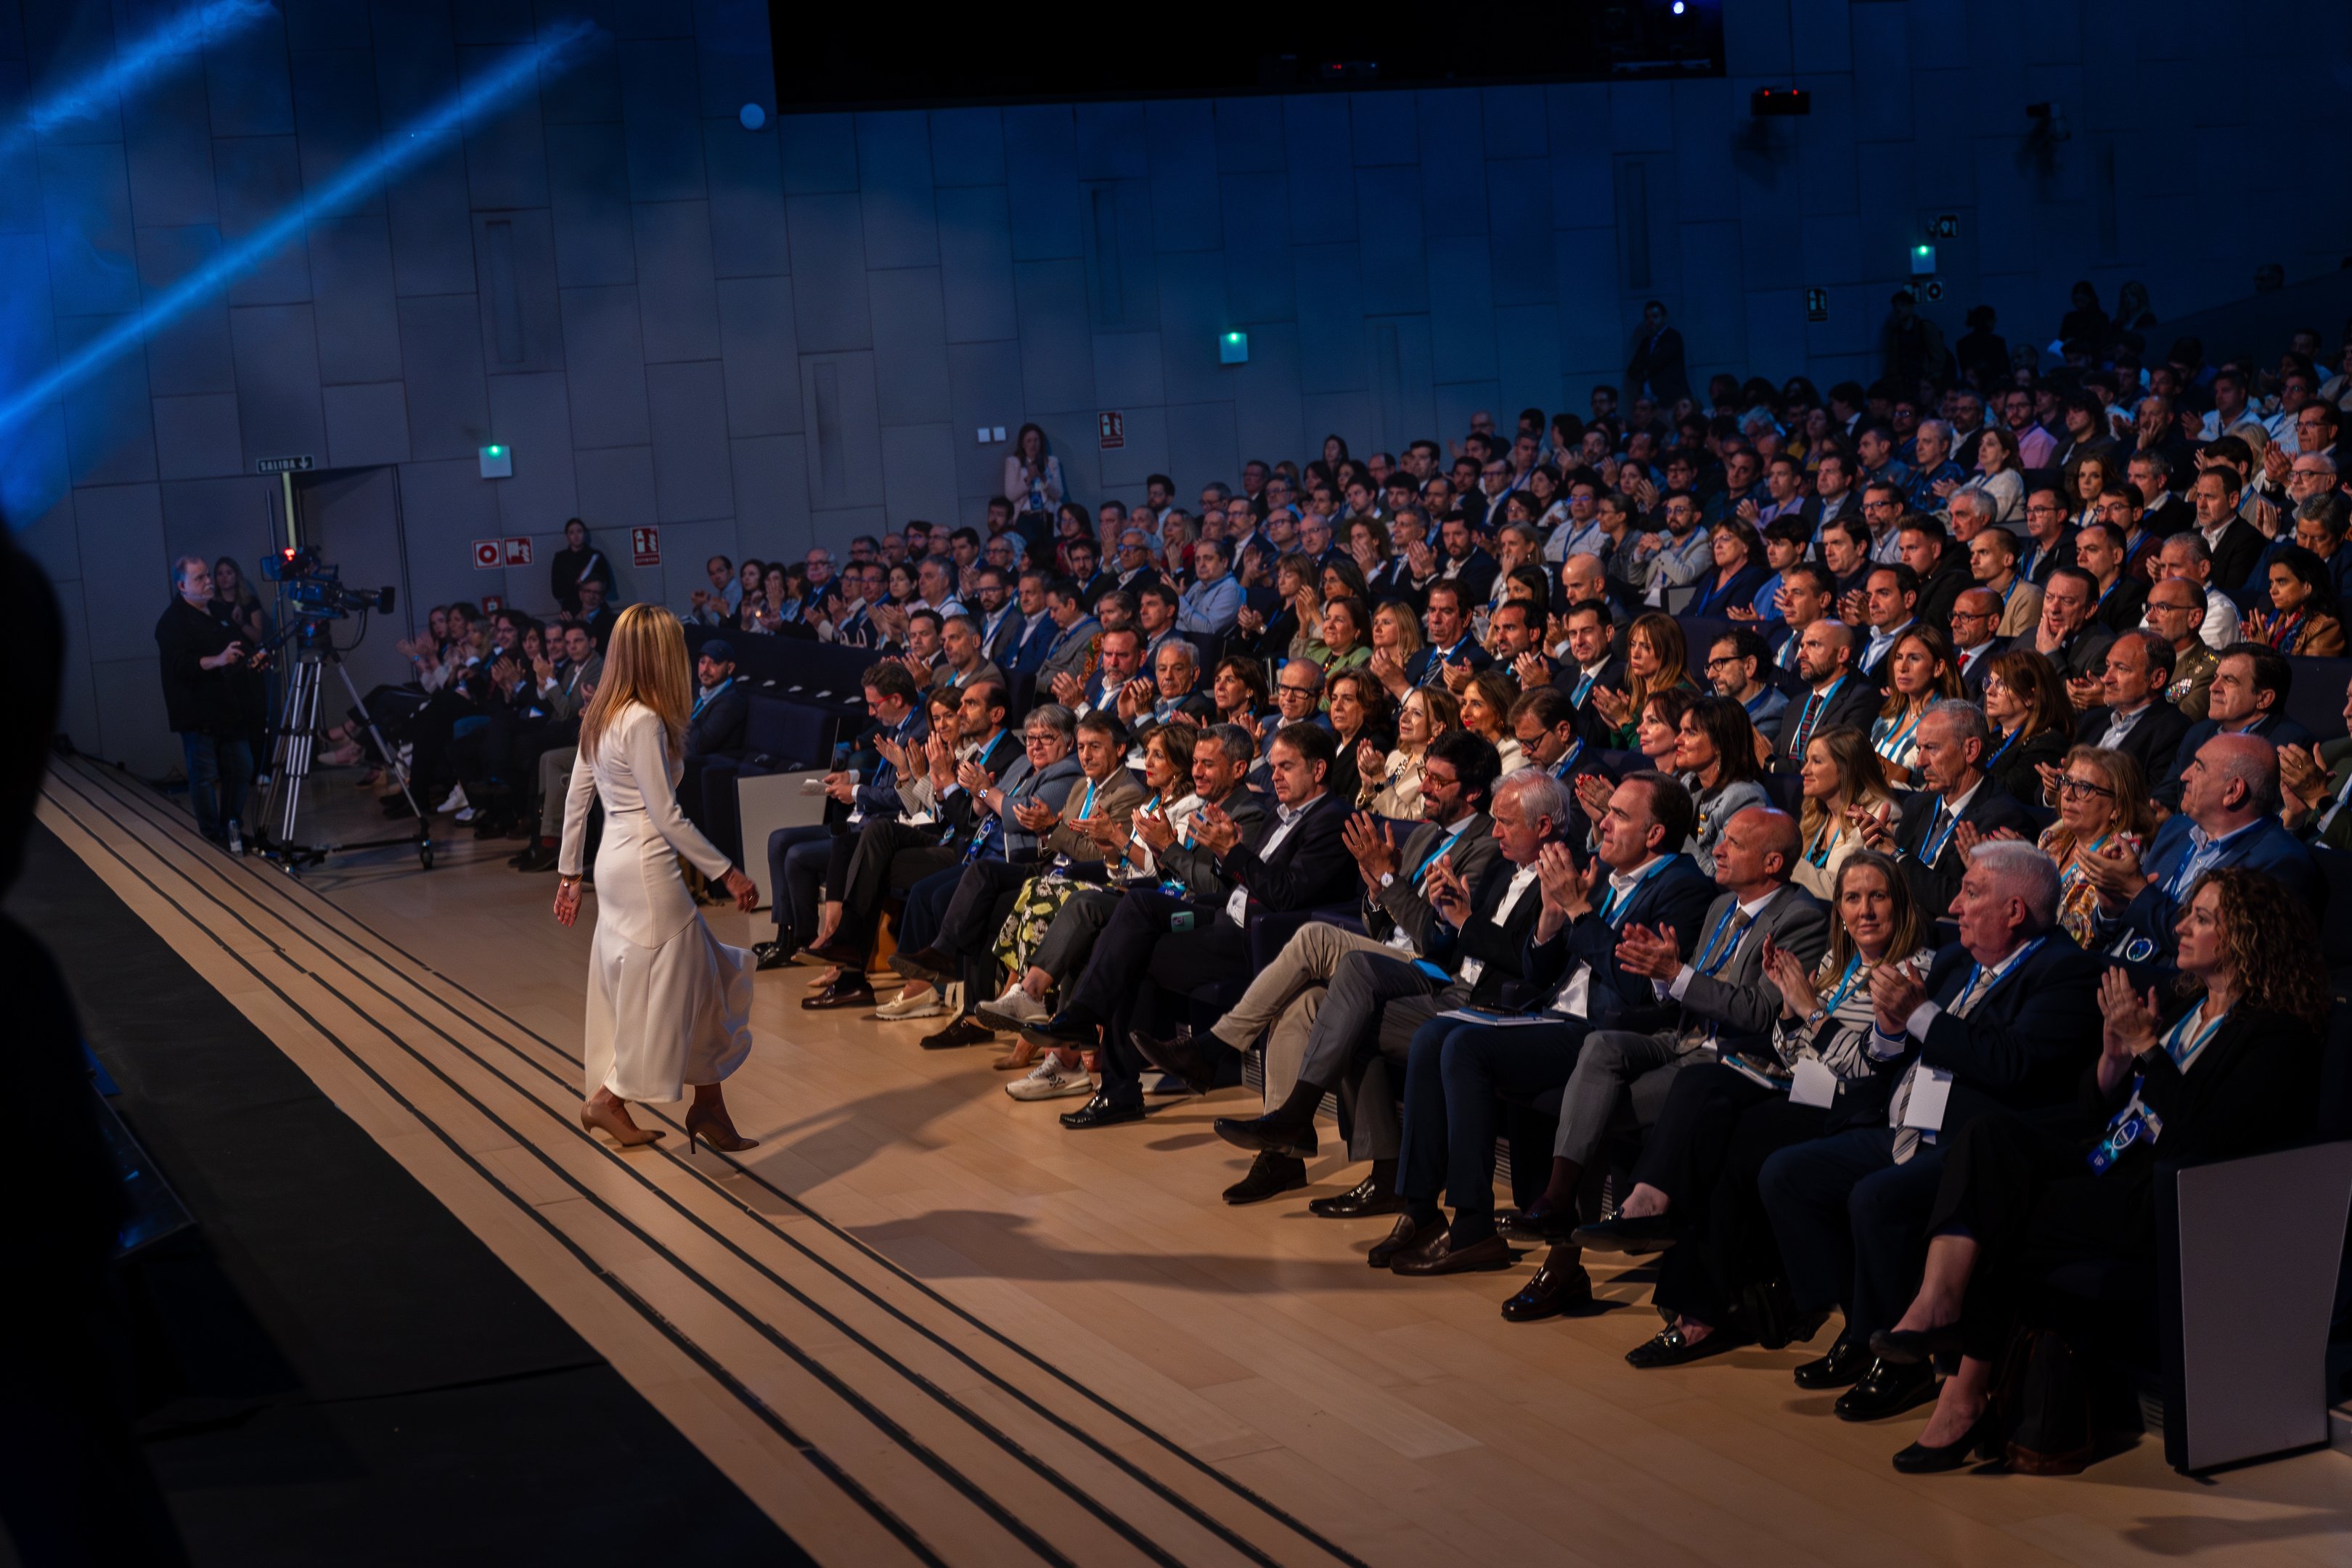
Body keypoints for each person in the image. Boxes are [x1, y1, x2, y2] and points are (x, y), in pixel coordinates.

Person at [1870, 870, 2325, 1472]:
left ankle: (1961, 1394)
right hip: (2112, 1159)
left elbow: (2204, 1138)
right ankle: (1936, 1306)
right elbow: (2102, 1110)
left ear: (2249, 936)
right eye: (2187, 912)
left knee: (2005, 1214)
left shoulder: (2274, 1035)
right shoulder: (2189, 1005)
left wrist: (2146, 1047)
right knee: (1989, 1141)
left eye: (2203, 918)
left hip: (2168, 1196)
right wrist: (2113, 1063)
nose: (2181, 926)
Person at [1758, 841, 2104, 1421]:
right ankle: (1860, 1328)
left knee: (1877, 1198)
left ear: (2015, 911)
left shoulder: (2064, 971)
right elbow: (1890, 1053)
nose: (1955, 904)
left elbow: (2010, 1062)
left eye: (1971, 892)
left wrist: (1919, 1015)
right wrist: (1892, 1027)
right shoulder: (1955, 963)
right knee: (1788, 1173)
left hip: (1973, 1148)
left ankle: (1902, 1363)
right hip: (1907, 1125)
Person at [1576, 851, 1935, 1364]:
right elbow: (1794, 1052)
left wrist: (1808, 1010)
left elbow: (1866, 1071)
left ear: (1900, 903)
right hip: (1803, 1087)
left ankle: (1696, 1309)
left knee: (1736, 1143)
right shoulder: (1840, 963)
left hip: (1854, 1109)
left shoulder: (1913, 971)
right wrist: (1791, 1016)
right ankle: (1650, 1206)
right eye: (1853, 898)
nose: (1866, 911)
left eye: (1877, 896)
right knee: (1703, 1083)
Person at [553, 605, 760, 1153]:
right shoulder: (643, 719)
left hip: (613, 861)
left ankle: (710, 1109)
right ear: (662, 655)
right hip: (648, 865)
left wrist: (570, 873)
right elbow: (666, 814)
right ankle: (611, 1098)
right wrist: (728, 873)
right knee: (669, 988)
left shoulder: (600, 712)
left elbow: (578, 797)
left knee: (702, 979)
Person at [2083, 732, 2317, 970]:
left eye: (2199, 768)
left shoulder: (2277, 862)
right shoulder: (2176, 830)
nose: (2184, 776)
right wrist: (2112, 908)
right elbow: (2109, 933)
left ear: (2233, 791)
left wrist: (2136, 891)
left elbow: (2221, 951)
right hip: (2109, 969)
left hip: (2176, 991)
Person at [1855, 701, 2033, 920]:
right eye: (1920, 749)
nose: (1920, 762)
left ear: (1971, 750)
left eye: (1931, 748)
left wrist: (1896, 856)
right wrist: (1878, 855)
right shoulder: (1917, 805)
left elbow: (1960, 900)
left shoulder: (2003, 818)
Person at [155, 555, 263, 850]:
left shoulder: (218, 610)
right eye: (200, 578)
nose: (208, 583)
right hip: (197, 709)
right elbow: (181, 665)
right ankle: (212, 834)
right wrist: (218, 660)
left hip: (228, 705)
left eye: (207, 576)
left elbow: (236, 643)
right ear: (182, 586)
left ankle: (232, 825)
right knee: (203, 775)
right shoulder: (171, 622)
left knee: (241, 766)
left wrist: (252, 658)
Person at [2033, 746, 2155, 947]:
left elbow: (2083, 937)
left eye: (2084, 788)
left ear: (2117, 807)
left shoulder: (2121, 857)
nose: (2067, 795)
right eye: (2066, 782)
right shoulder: (2056, 835)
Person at [2070, 629, 2190, 784]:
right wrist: (2051, 792)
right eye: (2108, 666)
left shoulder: (2173, 730)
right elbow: (2051, 781)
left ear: (2157, 679)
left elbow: (2152, 801)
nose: (2106, 679)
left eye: (2122, 669)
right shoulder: (2094, 719)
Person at [1793, 727, 1896, 900]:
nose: (1805, 771)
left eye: (1817, 761)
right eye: (1807, 760)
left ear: (1845, 769)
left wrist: (1787, 862)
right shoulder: (1816, 812)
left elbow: (1846, 891)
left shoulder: (1879, 816)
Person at [1676, 695, 1770, 875]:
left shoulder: (1745, 799)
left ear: (1720, 744)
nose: (1677, 741)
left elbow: (1720, 874)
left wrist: (1674, 831)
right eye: (1680, 731)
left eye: (1690, 733)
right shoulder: (1688, 782)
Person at [1773, 620, 1877, 770]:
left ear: (1842, 654)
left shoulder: (1862, 699)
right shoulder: (1797, 704)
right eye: (1802, 646)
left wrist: (1774, 765)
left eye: (1814, 645)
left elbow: (1837, 763)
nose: (1801, 655)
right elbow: (1772, 752)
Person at [1869, 626, 1962, 789]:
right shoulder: (1887, 717)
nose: (1902, 667)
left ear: (1938, 667)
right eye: (1898, 657)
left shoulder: (1948, 723)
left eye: (1914, 658)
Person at [1978, 648, 2075, 805]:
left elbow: (2005, 794)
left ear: (2030, 697)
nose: (1989, 691)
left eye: (2001, 684)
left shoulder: (2047, 744)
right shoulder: (1990, 738)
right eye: (1989, 683)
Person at [2242, 544, 2348, 655]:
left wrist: (2263, 650)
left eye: (2282, 582)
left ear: (2307, 587)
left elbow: (2307, 671)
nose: (2272, 591)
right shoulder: (2277, 618)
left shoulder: (2326, 627)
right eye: (2272, 583)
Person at [550, 517, 613, 616]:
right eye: (571, 532)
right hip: (571, 609)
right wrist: (576, 585)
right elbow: (557, 591)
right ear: (567, 536)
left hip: (595, 608)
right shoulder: (560, 559)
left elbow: (606, 584)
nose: (576, 536)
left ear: (585, 534)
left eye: (579, 531)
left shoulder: (596, 556)